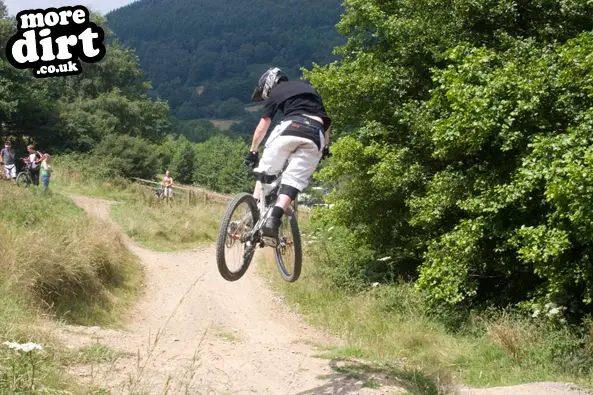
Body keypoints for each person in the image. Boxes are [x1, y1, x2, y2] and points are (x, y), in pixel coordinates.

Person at [245, 67, 332, 242]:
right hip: (316, 134)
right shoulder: (310, 90)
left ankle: (252, 209)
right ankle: (274, 218)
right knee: (294, 180)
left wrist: (253, 151)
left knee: (266, 168)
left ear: (269, 84)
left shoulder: (277, 92)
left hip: (291, 127)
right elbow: (327, 123)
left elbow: (263, 124)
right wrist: (326, 148)